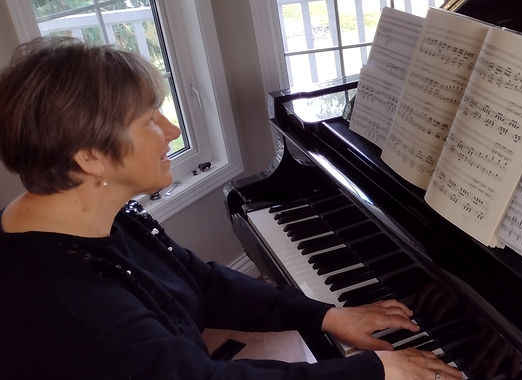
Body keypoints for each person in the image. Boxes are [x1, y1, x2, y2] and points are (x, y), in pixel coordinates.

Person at [0, 37, 462, 380]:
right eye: (148, 119)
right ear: (90, 157)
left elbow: (199, 280)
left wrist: (323, 314)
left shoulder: (98, 216)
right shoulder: (67, 300)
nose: (172, 130)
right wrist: (374, 371)